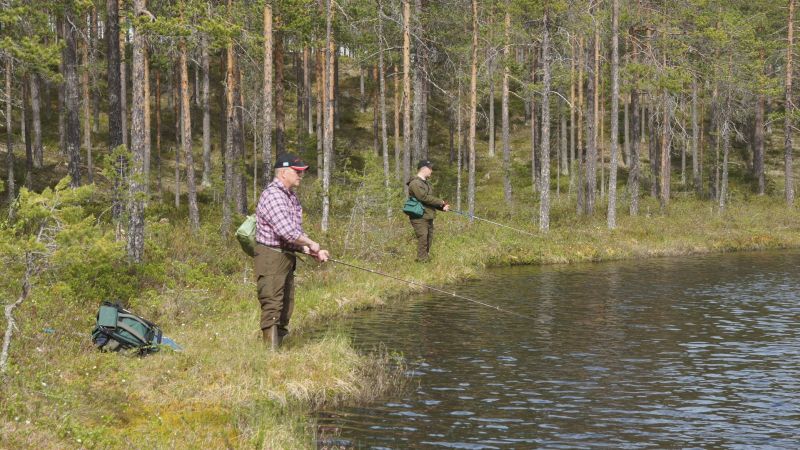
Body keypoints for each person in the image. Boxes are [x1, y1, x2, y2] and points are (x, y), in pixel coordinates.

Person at [255, 153, 329, 350]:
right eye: (297, 172)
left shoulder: (290, 196)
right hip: (271, 257)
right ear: (284, 172)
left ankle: (280, 348)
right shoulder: (273, 195)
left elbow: (294, 233)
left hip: (286, 256)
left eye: (301, 172)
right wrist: (312, 243)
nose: (301, 175)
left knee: (286, 305)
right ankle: (270, 355)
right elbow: (286, 231)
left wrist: (310, 250)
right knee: (272, 304)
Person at [407, 159, 449, 262]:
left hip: (428, 215)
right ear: (424, 169)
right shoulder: (415, 183)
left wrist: (441, 207)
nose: (431, 171)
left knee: (428, 239)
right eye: (430, 168)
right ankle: (422, 261)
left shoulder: (426, 184)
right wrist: (440, 201)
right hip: (419, 216)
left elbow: (429, 200)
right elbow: (423, 198)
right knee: (423, 238)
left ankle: (424, 259)